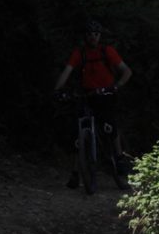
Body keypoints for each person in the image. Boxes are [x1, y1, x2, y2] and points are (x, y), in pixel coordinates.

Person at [54, 21, 132, 187]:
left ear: (100, 36)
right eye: (89, 34)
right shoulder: (79, 53)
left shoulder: (107, 51)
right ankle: (76, 173)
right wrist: (58, 90)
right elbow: (67, 71)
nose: (93, 37)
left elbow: (127, 71)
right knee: (78, 131)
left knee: (109, 125)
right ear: (85, 36)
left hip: (106, 94)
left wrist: (116, 86)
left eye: (96, 34)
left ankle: (119, 157)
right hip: (87, 94)